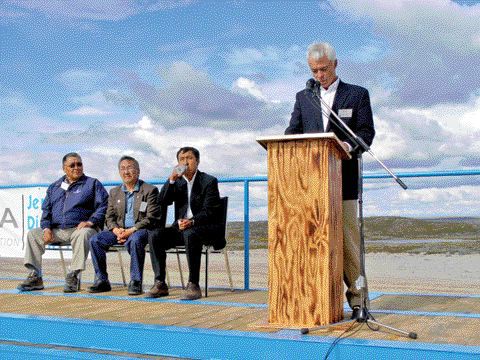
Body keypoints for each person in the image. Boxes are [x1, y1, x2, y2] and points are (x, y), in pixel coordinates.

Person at [285, 42, 375, 320]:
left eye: (323, 69)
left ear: (336, 64)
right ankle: (315, 300)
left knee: (349, 243)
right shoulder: (304, 97)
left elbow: (366, 133)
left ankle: (359, 302)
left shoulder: (357, 94)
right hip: (310, 185)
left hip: (343, 181)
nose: (319, 75)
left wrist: (347, 146)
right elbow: (292, 132)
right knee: (311, 241)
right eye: (314, 70)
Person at [18, 152, 108, 293]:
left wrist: (91, 221)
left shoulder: (92, 184)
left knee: (83, 234)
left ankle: (73, 275)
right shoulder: (54, 187)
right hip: (57, 230)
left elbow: (104, 205)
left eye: (79, 164)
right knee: (33, 234)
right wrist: (46, 228)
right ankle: (36, 276)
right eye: (72, 165)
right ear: (64, 168)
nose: (76, 167)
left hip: (81, 229)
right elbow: (46, 210)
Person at [147, 147, 225, 300]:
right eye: (181, 159)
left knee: (191, 233)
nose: (185, 162)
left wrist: (192, 221)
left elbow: (210, 211)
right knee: (155, 235)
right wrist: (171, 180)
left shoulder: (209, 181)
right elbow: (162, 201)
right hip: (182, 228)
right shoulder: (177, 182)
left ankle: (193, 284)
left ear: (197, 161)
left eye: (189, 158)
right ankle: (160, 283)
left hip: (205, 228)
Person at [88, 156, 161, 295]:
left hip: (141, 230)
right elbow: (109, 217)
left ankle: (135, 281)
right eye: (122, 168)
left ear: (138, 171)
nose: (126, 172)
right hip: (119, 230)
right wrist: (116, 230)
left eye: (130, 168)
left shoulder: (150, 190)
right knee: (95, 240)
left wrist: (131, 231)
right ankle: (102, 280)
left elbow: (151, 218)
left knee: (135, 240)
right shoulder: (114, 192)